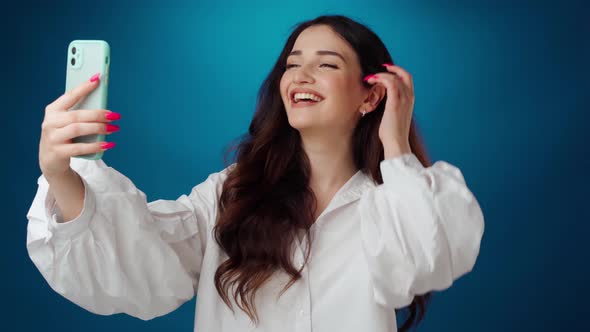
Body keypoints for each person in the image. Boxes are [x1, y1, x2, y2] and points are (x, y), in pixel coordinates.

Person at [26, 15, 485, 332]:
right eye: (292, 64)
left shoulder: (393, 204)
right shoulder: (233, 193)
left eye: (326, 64)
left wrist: (396, 144)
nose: (301, 75)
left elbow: (428, 260)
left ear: (370, 96)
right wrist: (62, 173)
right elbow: (141, 259)